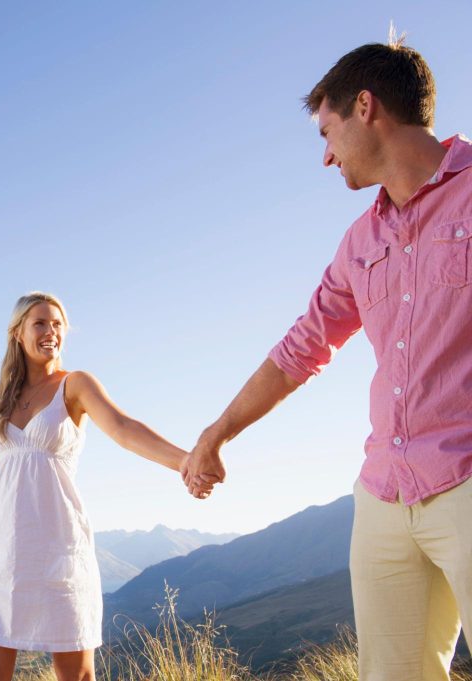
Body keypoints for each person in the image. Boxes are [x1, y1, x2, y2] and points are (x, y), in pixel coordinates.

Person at [181, 39, 472, 681]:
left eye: (327, 130)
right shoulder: (360, 241)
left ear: (365, 107)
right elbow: (301, 349)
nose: (324, 154)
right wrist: (216, 433)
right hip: (384, 494)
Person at [0, 292, 206, 681]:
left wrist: (184, 462)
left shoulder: (75, 385)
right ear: (17, 333)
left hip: (59, 550)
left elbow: (124, 429)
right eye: (40, 323)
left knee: (77, 677)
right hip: (0, 555)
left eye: (57, 324)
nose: (51, 331)